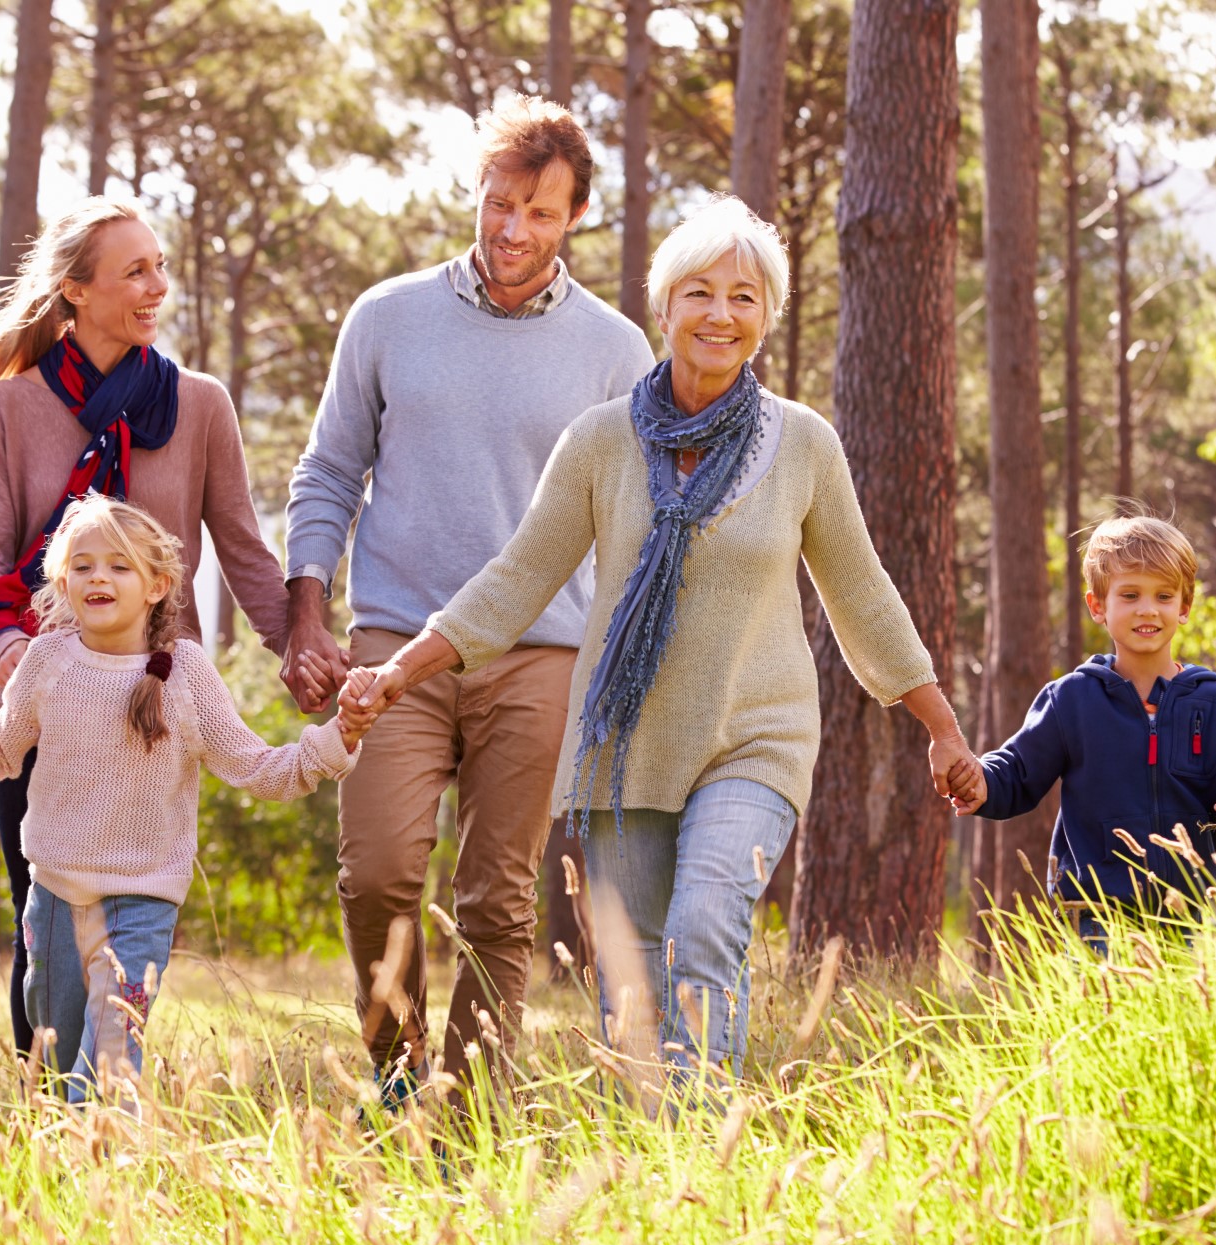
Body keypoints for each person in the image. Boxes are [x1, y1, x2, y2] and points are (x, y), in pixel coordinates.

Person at [342, 197, 981, 1087]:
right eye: (699, 292)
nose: (721, 314)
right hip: (628, 742)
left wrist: (940, 725)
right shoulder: (601, 442)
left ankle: (700, 1146)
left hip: (755, 737)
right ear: (664, 306)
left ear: (767, 315)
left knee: (705, 923)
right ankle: (657, 1161)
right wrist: (400, 668)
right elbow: (518, 579)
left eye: (744, 297)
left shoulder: (802, 444)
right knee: (635, 974)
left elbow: (862, 593)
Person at [283, 96, 654, 1101]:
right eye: (498, 203)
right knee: (376, 870)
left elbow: (632, 520)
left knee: (496, 896)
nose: (510, 230)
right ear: (477, 195)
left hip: (540, 651)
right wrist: (305, 612)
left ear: (573, 217)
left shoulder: (615, 352)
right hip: (393, 642)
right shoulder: (387, 317)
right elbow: (327, 473)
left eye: (538, 212)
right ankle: (396, 1073)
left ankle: (468, 1102)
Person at [0, 197, 293, 1056]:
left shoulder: (201, 406)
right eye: (135, 270)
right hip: (47, 697)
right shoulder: (10, 407)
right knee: (43, 919)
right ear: (75, 289)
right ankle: (43, 1104)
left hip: (155, 699)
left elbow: (245, 548)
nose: (157, 287)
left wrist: (301, 646)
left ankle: (108, 1095)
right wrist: (18, 658)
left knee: (134, 923)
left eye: (161, 266)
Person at [0, 497, 361, 1099]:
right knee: (58, 1069)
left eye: (118, 566)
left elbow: (259, 769)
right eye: (82, 566)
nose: (98, 578)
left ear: (157, 584)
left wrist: (337, 737)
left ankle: (109, 1177)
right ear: (62, 580)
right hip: (54, 903)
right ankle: (65, 1180)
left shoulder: (185, 675)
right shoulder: (49, 660)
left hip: (139, 906)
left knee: (108, 1072)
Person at [958, 512, 1216, 953]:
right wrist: (981, 783)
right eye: (1129, 595)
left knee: (1181, 1020)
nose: (1147, 609)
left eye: (1163, 596)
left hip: (1185, 916)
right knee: (1104, 1019)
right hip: (1094, 914)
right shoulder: (1071, 700)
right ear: (1098, 606)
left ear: (1184, 607)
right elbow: (1017, 771)